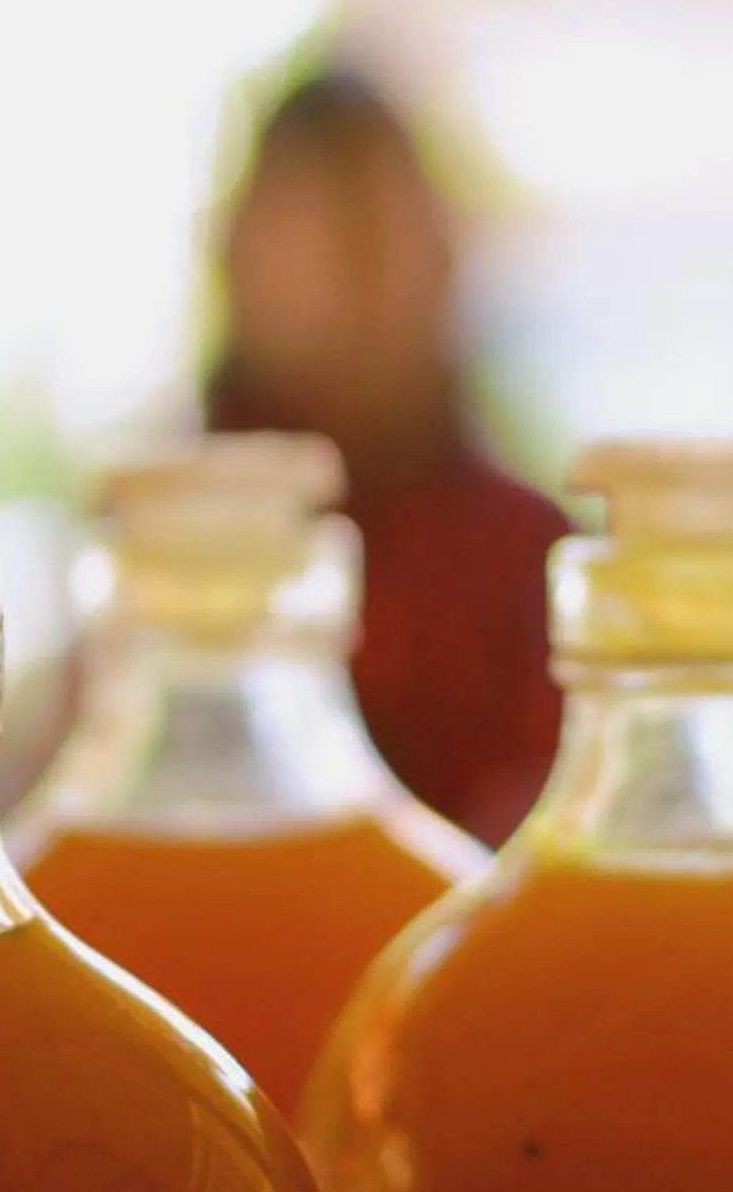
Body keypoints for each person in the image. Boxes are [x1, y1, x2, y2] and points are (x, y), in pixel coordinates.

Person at [205, 67, 567, 844]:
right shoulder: (166, 554)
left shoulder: (523, 555)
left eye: (373, 236)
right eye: (311, 237)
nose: (347, 287)